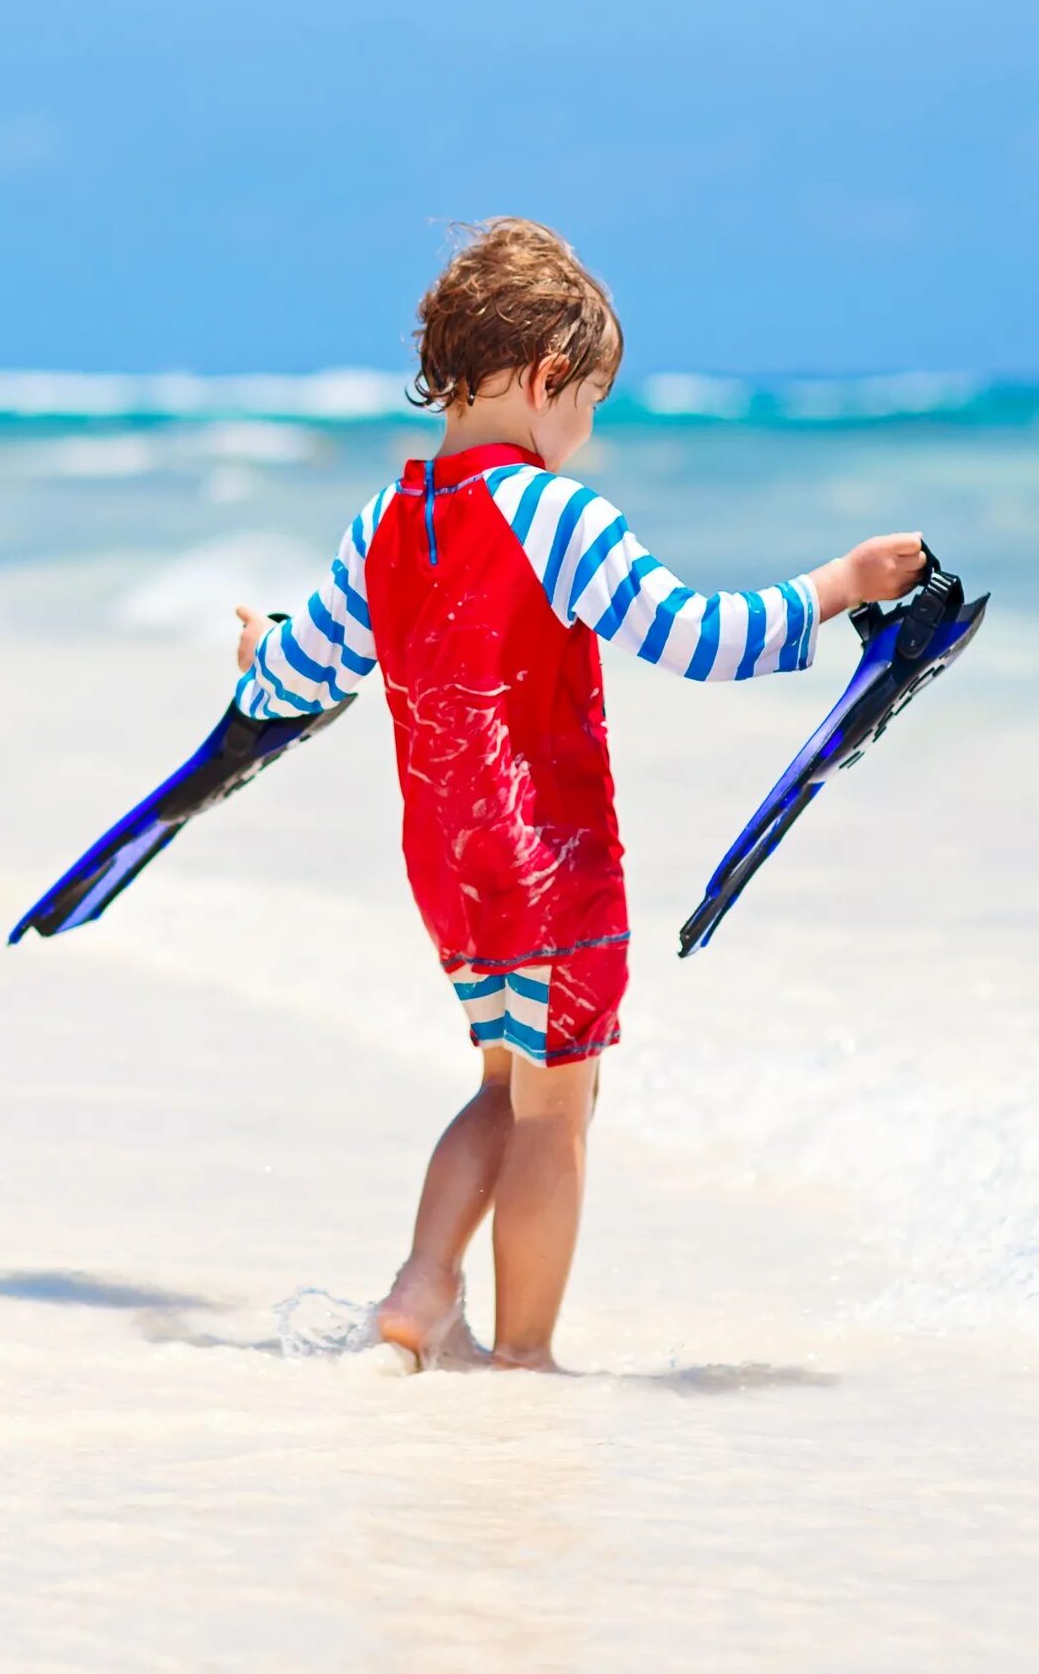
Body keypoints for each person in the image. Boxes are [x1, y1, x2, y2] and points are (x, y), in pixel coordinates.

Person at [230, 219, 927, 1370]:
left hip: (450, 870)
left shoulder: (386, 520)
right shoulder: (554, 511)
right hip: (548, 869)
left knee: (504, 1087)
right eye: (591, 402)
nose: (585, 433)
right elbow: (694, 636)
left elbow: (309, 672)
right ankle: (525, 1357)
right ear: (550, 376)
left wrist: (262, 646)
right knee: (559, 1109)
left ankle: (420, 1292)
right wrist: (839, 584)